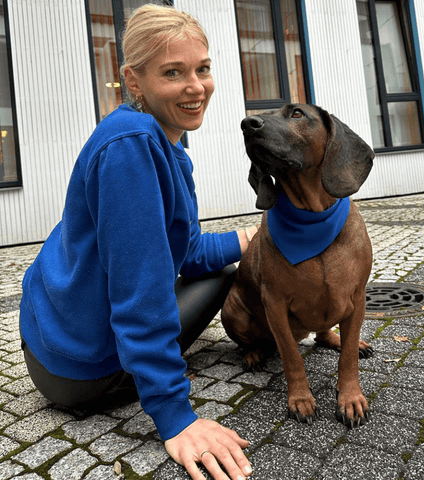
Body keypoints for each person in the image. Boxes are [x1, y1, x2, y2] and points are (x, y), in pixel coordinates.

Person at [19, 4, 256, 480]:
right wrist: (176, 417)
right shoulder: (130, 146)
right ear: (134, 79)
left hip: (48, 336)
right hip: (75, 372)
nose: (196, 87)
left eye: (202, 69)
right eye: (173, 73)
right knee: (221, 280)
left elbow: (185, 254)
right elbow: (141, 292)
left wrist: (250, 236)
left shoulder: (159, 140)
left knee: (222, 266)